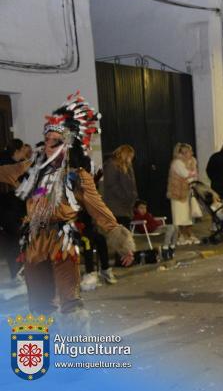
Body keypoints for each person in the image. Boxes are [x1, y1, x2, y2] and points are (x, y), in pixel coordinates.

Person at [0, 92, 134, 333]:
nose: (49, 144)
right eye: (47, 138)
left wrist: (121, 240)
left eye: (55, 140)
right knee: (40, 303)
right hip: (33, 241)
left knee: (70, 300)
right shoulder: (28, 169)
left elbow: (98, 208)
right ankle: (44, 352)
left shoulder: (78, 176)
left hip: (62, 240)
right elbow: (3, 171)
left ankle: (75, 350)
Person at [0, 139, 29, 287]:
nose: (25, 152)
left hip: (13, 210)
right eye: (23, 149)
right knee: (16, 242)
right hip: (9, 211)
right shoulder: (8, 167)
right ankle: (18, 274)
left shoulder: (19, 165)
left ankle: (18, 274)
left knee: (15, 243)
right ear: (16, 151)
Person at [167, 143, 200, 245]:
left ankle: (188, 235)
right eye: (186, 152)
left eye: (189, 151)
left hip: (187, 192)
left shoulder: (192, 162)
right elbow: (186, 174)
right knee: (179, 216)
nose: (189, 153)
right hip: (178, 193)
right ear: (180, 153)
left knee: (188, 216)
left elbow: (194, 177)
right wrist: (192, 174)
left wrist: (192, 172)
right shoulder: (177, 163)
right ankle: (179, 236)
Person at [102, 144, 137, 228]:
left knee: (124, 235)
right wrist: (125, 197)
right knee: (119, 235)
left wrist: (132, 197)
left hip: (125, 207)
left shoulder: (127, 167)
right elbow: (111, 184)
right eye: (130, 156)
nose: (131, 158)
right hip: (116, 207)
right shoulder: (111, 165)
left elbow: (131, 186)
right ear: (125, 155)